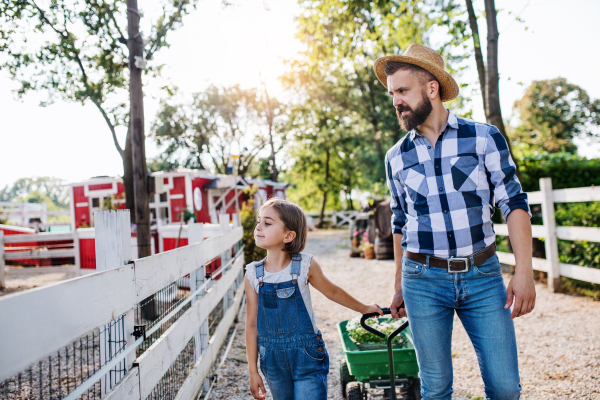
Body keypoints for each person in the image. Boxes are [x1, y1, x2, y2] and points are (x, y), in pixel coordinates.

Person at [375, 44, 536, 399]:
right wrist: (400, 283)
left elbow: (514, 202)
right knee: (435, 389)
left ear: (431, 88)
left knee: (506, 388)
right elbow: (401, 222)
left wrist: (524, 271)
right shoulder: (395, 158)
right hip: (423, 281)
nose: (396, 102)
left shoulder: (484, 138)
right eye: (392, 94)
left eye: (402, 91)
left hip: (482, 277)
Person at [244, 197, 382, 400]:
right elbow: (251, 325)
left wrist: (363, 308)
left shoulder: (305, 266)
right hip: (272, 362)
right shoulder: (253, 275)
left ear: (288, 235)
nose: (258, 227)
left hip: (307, 357)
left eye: (267, 222)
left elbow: (332, 292)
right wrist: (253, 371)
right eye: (258, 221)